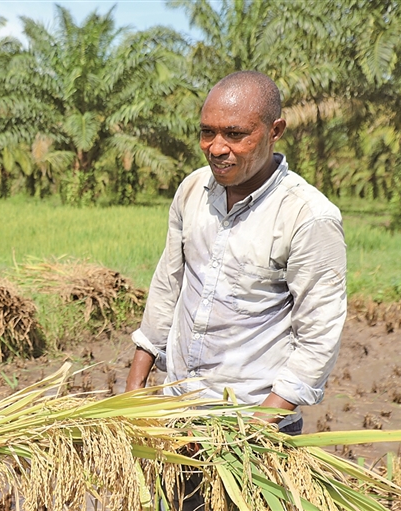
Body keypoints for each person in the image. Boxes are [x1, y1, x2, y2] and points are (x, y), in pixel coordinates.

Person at [126, 70, 347, 430]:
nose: (216, 148)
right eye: (207, 132)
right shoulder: (192, 190)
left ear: (275, 131)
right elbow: (168, 285)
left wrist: (254, 431)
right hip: (175, 412)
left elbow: (318, 339)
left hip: (251, 426)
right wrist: (134, 387)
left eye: (234, 134)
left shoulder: (307, 216)